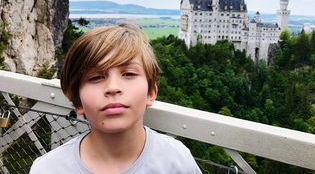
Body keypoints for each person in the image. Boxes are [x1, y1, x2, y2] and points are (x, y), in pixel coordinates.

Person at [30, 23, 202, 174]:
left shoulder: (177, 161)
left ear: (150, 92)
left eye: (128, 74)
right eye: (95, 77)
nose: (113, 87)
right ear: (78, 101)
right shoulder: (48, 169)